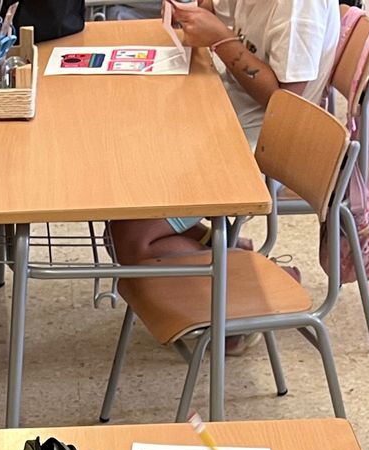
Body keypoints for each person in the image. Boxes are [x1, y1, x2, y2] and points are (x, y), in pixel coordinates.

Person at [108, 0, 342, 263]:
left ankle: (246, 273)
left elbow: (284, 102)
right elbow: (214, 7)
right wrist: (192, 11)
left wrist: (221, 40)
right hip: (220, 113)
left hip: (263, 143)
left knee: (131, 242)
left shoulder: (300, 8)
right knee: (119, 185)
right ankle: (225, 249)